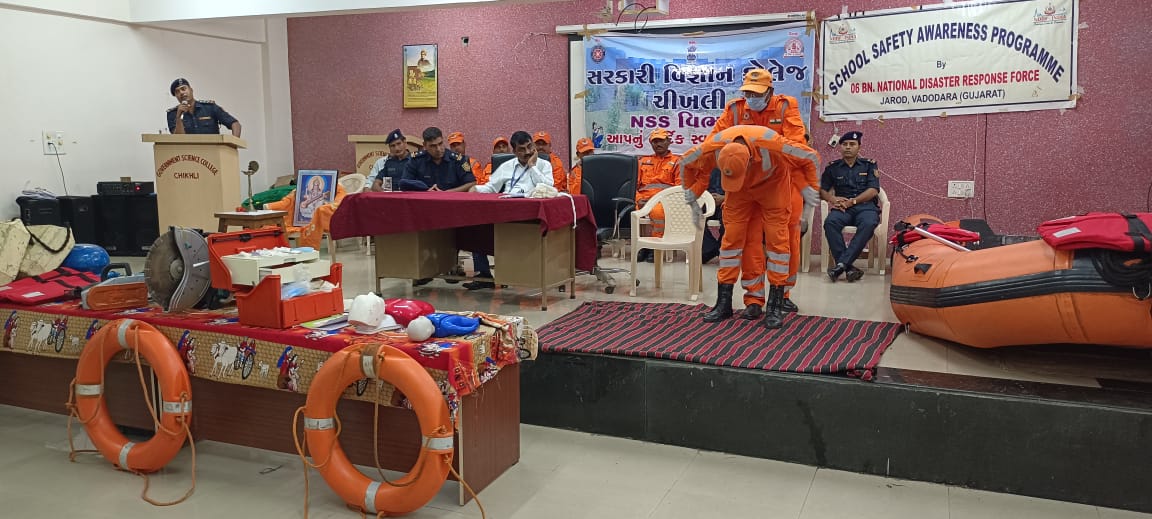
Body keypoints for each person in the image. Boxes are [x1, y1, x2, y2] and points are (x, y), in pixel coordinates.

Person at [681, 125, 820, 330]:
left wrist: (810, 189)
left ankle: (774, 306)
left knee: (777, 245)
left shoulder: (774, 145)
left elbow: (812, 157)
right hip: (739, 193)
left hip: (773, 188)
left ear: (749, 160)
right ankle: (728, 303)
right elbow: (685, 163)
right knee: (731, 243)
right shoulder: (713, 147)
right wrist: (693, 192)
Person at [709, 68, 809, 312]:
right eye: (748, 93)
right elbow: (713, 141)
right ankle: (753, 299)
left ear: (770, 91)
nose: (751, 98)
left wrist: (756, 148)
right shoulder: (735, 109)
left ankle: (781, 294)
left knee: (785, 241)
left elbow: (796, 145)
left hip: (778, 183)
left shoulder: (786, 106)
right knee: (743, 240)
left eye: (757, 93)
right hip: (741, 185)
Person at [465, 131, 554, 290]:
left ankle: (516, 274)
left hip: (530, 215)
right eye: (522, 149)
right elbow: (491, 187)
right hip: (506, 211)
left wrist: (532, 166)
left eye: (529, 147)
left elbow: (548, 187)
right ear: (514, 152)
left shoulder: (544, 165)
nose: (527, 152)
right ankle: (484, 275)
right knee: (475, 228)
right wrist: (475, 189)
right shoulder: (506, 166)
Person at [821, 131, 880, 283]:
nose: (848, 147)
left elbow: (873, 190)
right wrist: (833, 199)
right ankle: (847, 267)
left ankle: (841, 265)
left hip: (865, 207)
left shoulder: (869, 165)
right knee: (830, 223)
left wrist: (853, 201)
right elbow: (822, 190)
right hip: (843, 208)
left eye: (852, 144)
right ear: (840, 147)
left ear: (859, 147)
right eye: (845, 144)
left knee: (868, 223)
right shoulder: (832, 167)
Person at [635, 128, 682, 262]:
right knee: (631, 212)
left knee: (657, 213)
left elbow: (679, 188)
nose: (658, 144)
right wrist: (639, 200)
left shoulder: (678, 161)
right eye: (655, 141)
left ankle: (656, 247)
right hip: (643, 199)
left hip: (664, 201)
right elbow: (633, 186)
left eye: (661, 140)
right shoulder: (642, 161)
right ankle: (642, 246)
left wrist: (657, 200)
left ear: (669, 141)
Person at [400, 127, 476, 192]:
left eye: (440, 143)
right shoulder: (415, 160)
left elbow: (472, 183)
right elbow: (405, 183)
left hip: (451, 202)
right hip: (423, 202)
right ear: (425, 145)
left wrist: (448, 193)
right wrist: (424, 191)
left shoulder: (459, 159)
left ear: (443, 140)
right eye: (433, 146)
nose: (438, 149)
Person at [167, 78, 241, 137]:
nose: (181, 93)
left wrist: (233, 145)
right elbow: (178, 140)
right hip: (189, 154)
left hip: (212, 152)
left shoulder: (210, 108)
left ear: (191, 90)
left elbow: (235, 124)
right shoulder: (172, 114)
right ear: (176, 96)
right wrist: (178, 117)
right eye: (177, 92)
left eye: (183, 89)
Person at [700, 168, 725, 264]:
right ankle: (712, 248)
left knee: (728, 219)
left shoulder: (738, 162)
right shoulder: (706, 163)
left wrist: (724, 198)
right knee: (693, 215)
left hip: (730, 202)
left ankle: (720, 248)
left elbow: (745, 191)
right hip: (707, 200)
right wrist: (707, 198)